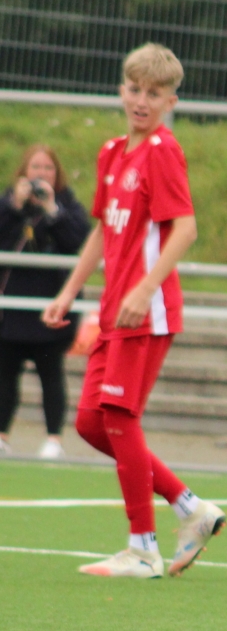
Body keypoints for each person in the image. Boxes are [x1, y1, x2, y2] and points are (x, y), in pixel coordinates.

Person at [42, 44, 226, 580]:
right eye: (134, 89)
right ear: (121, 89)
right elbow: (104, 229)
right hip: (113, 310)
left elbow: (186, 229)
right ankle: (190, 508)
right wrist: (69, 291)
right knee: (90, 422)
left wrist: (146, 289)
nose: (141, 100)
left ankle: (143, 548)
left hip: (147, 310)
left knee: (119, 417)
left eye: (154, 93)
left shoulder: (163, 151)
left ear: (171, 101)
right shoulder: (112, 152)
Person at [0, 144, 90, 458]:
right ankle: (2, 435)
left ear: (57, 173)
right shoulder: (9, 201)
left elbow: (77, 240)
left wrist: (52, 209)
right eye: (35, 168)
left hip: (51, 307)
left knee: (51, 375)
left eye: (48, 168)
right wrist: (15, 205)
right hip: (11, 309)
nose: (41, 174)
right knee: (4, 375)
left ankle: (54, 439)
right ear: (24, 171)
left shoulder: (67, 205)